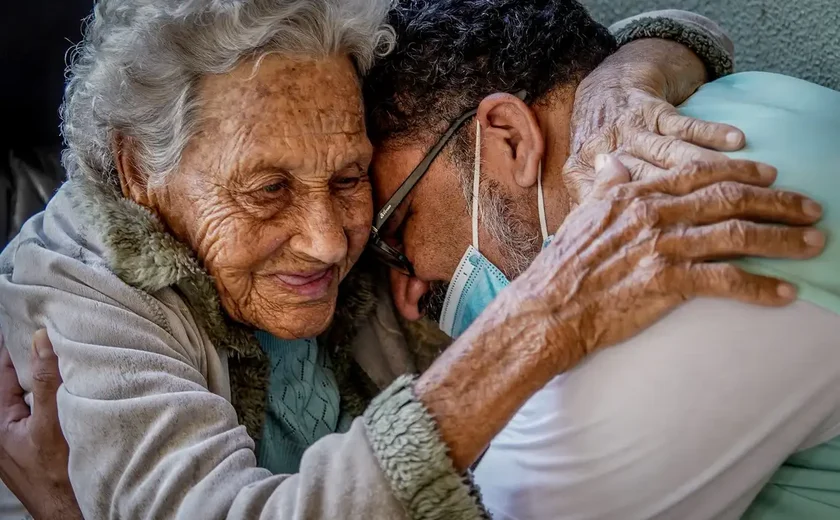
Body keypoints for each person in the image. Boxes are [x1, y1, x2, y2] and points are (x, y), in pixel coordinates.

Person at [0, 1, 822, 519]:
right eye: (268, 190)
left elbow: (532, 80)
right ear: (141, 170)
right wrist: (538, 323)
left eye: (352, 179)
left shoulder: (347, 184)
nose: (331, 240)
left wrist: (638, 63)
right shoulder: (83, 297)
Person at [361, 1, 840, 518]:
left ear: (511, 137)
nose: (407, 297)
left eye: (398, 227)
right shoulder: (751, 99)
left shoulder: (667, 270)